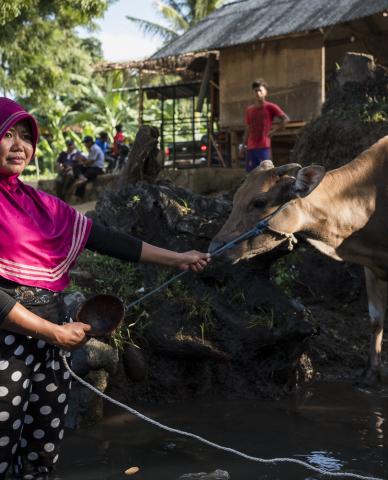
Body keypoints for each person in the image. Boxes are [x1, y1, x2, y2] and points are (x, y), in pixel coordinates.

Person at [0, 97, 210, 479]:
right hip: (8, 348)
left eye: (26, 136)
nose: (19, 145)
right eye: (8, 134)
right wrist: (52, 332)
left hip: (50, 348)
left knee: (40, 452)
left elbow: (106, 239)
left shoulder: (41, 204)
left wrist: (177, 257)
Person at [240, 79, 289, 172]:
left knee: (266, 172)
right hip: (251, 147)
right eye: (256, 91)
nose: (258, 93)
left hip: (264, 146)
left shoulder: (270, 107)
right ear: (253, 93)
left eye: (260, 90)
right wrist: (243, 146)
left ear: (265, 92)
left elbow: (285, 119)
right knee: (250, 174)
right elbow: (248, 128)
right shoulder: (249, 110)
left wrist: (273, 131)